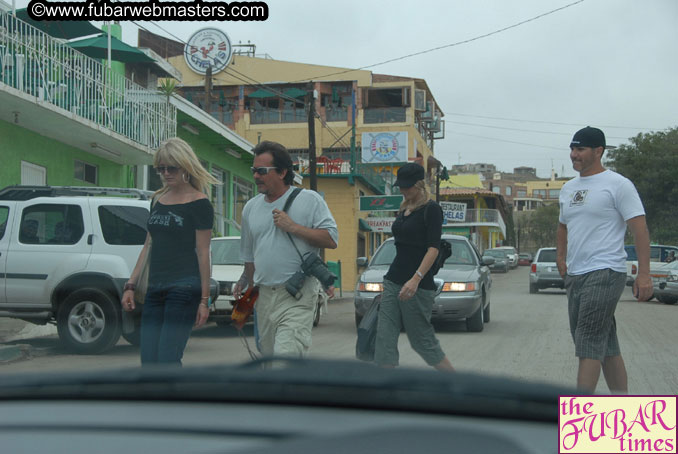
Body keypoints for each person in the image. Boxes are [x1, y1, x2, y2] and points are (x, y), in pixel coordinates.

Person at [557, 126, 652, 394]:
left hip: (605, 271)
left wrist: (644, 274)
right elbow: (562, 226)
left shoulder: (618, 185)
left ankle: (581, 421)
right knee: (605, 344)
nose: (574, 155)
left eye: (580, 149)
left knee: (587, 341)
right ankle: (624, 411)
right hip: (576, 274)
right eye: (572, 149)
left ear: (599, 151)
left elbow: (640, 229)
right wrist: (562, 260)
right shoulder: (567, 189)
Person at [234, 141, 338, 358]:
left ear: (282, 172)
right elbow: (250, 256)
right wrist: (246, 287)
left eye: (262, 171)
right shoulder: (251, 208)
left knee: (285, 360)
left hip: (296, 294)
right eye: (254, 170)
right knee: (270, 363)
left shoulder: (309, 200)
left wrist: (293, 227)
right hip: (264, 297)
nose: (255, 176)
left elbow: (331, 239)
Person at [121, 137, 218, 366]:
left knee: (167, 358)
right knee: (148, 359)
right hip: (156, 287)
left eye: (171, 168)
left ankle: (174, 400)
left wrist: (204, 301)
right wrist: (130, 285)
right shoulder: (158, 199)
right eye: (160, 168)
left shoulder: (200, 203)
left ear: (185, 166)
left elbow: (203, 253)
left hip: (184, 289)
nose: (165, 173)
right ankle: (156, 401)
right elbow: (148, 245)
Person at [373, 163, 455, 372]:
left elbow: (433, 249)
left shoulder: (431, 209)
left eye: (407, 186)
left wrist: (416, 278)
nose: (402, 190)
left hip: (417, 284)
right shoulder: (403, 208)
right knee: (384, 338)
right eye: (400, 186)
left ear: (419, 185)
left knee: (421, 340)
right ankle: (384, 390)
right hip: (393, 280)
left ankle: (458, 384)